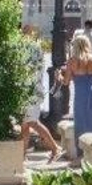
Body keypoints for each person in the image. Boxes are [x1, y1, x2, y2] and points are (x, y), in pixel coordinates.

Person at [58, 34, 92, 160]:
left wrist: (58, 76)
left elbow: (65, 82)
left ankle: (82, 156)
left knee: (82, 123)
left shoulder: (72, 61)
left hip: (81, 94)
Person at [17, 25, 59, 160]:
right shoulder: (36, 48)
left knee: (32, 123)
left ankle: (54, 148)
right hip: (33, 90)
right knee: (26, 124)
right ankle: (22, 156)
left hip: (29, 90)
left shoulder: (25, 48)